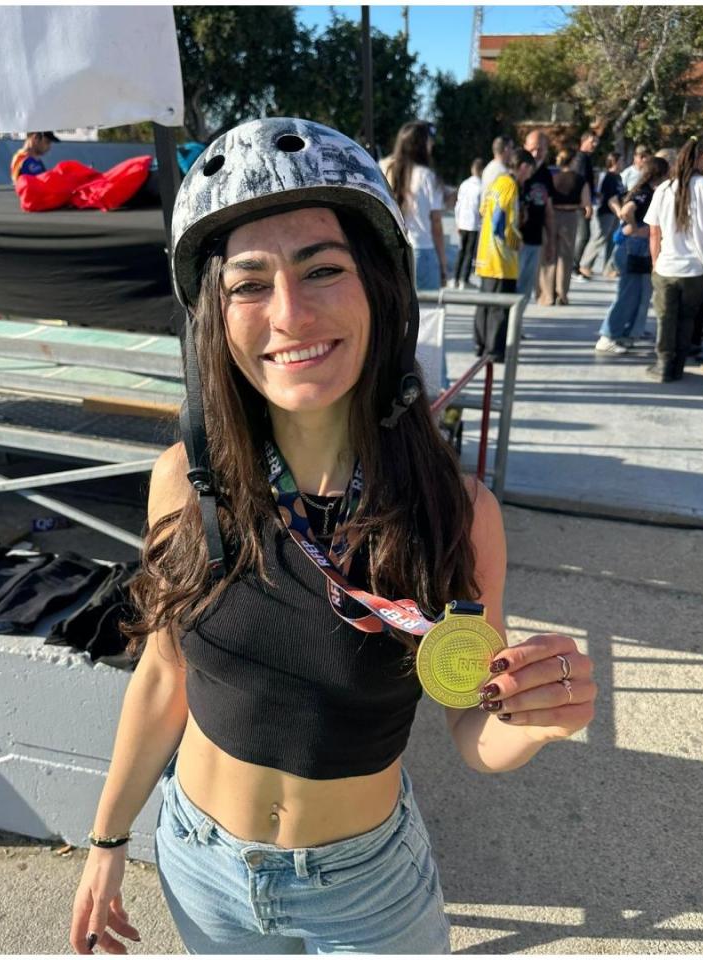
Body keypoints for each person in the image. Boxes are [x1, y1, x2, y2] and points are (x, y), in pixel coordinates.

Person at [67, 118, 595, 956]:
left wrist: (534, 718)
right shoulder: (186, 480)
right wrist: (106, 842)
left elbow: (472, 721)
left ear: (380, 289)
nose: (289, 312)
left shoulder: (455, 513)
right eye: (249, 283)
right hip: (200, 864)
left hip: (367, 892)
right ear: (215, 316)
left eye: (322, 269)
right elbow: (165, 675)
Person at [644, 137, 703, 383]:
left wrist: (655, 263)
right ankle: (679, 365)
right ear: (702, 157)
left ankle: (663, 365)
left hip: (667, 266)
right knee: (687, 319)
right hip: (697, 269)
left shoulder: (664, 189)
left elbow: (654, 232)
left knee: (665, 318)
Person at [596, 156, 667, 354]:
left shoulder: (647, 191)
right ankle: (608, 335)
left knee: (639, 293)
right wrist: (635, 228)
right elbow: (627, 211)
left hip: (637, 247)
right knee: (627, 293)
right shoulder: (644, 193)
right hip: (632, 246)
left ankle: (627, 333)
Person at [379, 120, 447, 290]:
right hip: (423, 250)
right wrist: (443, 265)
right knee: (427, 311)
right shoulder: (427, 176)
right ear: (421, 144)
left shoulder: (387, 170)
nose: (432, 144)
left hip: (394, 251)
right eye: (429, 140)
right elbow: (436, 224)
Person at [475, 142, 526, 361]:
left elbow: (483, 209)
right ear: (523, 167)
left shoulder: (496, 182)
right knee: (499, 307)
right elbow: (499, 219)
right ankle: (494, 350)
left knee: (484, 304)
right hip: (501, 258)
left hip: (485, 255)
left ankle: (480, 344)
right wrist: (515, 241)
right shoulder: (510, 185)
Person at [541, 147, 590, 305]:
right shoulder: (580, 179)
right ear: (573, 161)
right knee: (565, 256)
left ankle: (547, 295)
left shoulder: (552, 178)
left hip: (552, 214)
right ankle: (561, 294)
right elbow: (586, 204)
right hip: (570, 216)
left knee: (549, 254)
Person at [518, 131, 553, 305]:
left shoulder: (546, 175)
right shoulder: (516, 170)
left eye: (540, 149)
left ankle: (516, 327)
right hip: (516, 240)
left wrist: (551, 241)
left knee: (526, 287)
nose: (536, 154)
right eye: (532, 149)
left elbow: (549, 210)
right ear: (525, 147)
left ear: (546, 150)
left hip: (535, 237)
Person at [579, 151, 623, 281]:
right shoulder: (609, 177)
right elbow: (610, 198)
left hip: (615, 214)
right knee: (599, 239)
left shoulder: (618, 177)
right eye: (620, 161)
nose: (623, 163)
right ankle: (585, 265)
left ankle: (609, 268)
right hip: (606, 213)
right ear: (614, 162)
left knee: (612, 241)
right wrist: (618, 211)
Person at [451, 157, 485, 289]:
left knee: (461, 251)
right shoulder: (482, 186)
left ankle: (455, 278)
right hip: (474, 224)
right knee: (469, 253)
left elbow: (458, 204)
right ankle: (464, 280)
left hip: (462, 222)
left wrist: (457, 221)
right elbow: (480, 207)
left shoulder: (464, 184)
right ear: (482, 171)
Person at [570, 132, 598, 274]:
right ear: (584, 141)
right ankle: (573, 267)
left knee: (582, 235)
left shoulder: (586, 158)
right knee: (583, 235)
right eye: (592, 141)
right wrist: (587, 204)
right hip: (580, 204)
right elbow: (582, 183)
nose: (595, 144)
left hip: (582, 202)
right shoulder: (581, 159)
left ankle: (574, 266)